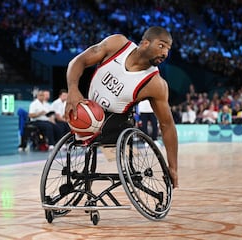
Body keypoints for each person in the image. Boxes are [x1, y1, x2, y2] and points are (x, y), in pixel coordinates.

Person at [64, 26, 178, 188]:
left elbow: (167, 125)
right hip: (87, 108)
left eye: (168, 49)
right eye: (161, 46)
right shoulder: (117, 44)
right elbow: (78, 61)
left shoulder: (156, 84)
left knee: (108, 126)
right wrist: (73, 89)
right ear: (145, 43)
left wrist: (173, 167)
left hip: (115, 123)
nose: (165, 53)